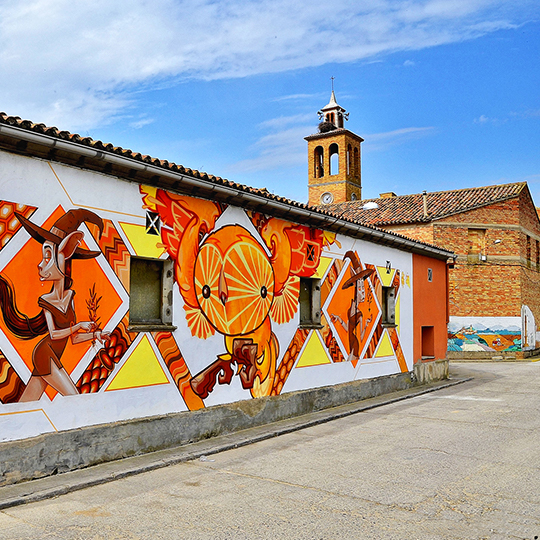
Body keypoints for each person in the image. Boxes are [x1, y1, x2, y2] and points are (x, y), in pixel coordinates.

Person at [0, 208, 109, 402]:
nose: (41, 264)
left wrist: (96, 334)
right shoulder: (46, 300)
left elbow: (74, 339)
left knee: (24, 405)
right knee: (76, 399)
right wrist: (78, 325)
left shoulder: (70, 296)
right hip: (45, 355)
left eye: (48, 256)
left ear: (65, 254)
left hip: (51, 357)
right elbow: (54, 334)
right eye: (44, 256)